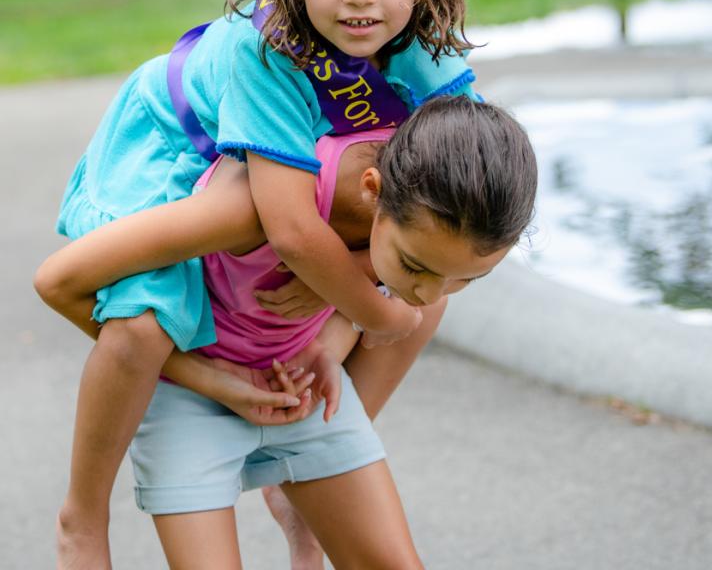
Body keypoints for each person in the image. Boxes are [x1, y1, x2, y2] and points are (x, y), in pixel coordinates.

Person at [44, 0, 478, 569]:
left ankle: (310, 462)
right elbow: (288, 228)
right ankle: (82, 516)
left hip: (285, 151)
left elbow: (468, 189)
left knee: (421, 296)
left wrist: (360, 312)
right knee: (147, 316)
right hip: (173, 138)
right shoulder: (268, 51)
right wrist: (377, 314)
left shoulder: (427, 55)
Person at [36, 97, 538, 569]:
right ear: (372, 191)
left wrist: (337, 318)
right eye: (414, 266)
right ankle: (82, 518)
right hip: (191, 389)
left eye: (468, 278)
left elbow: (403, 279)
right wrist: (208, 379)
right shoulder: (254, 205)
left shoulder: (427, 209)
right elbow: (59, 281)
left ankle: (303, 491)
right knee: (139, 332)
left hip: (300, 383)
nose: (431, 292)